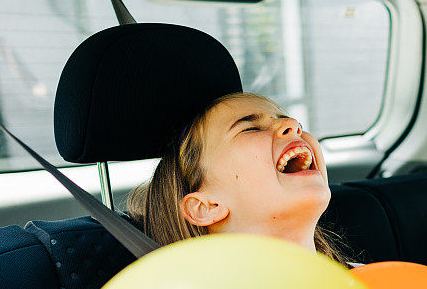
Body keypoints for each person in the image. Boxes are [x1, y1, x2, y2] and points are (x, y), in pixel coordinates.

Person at [128, 92, 345, 262]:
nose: (293, 125)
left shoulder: (367, 281)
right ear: (207, 207)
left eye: (297, 124)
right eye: (250, 128)